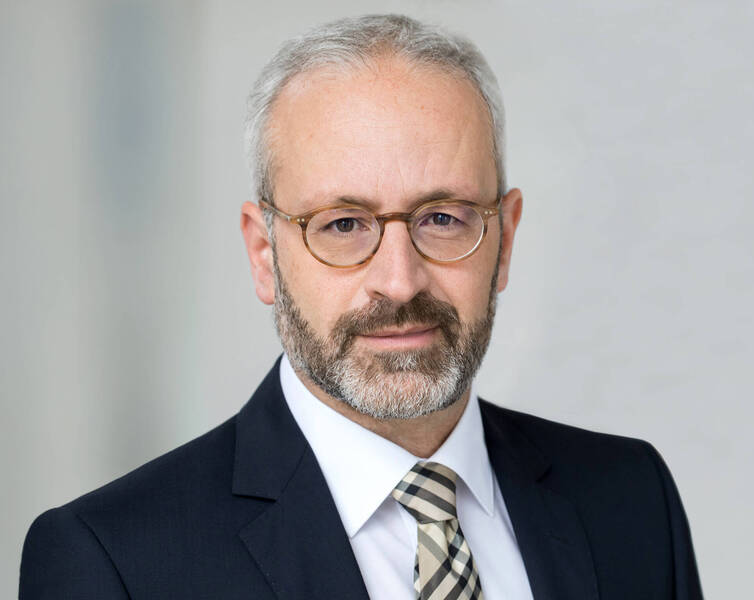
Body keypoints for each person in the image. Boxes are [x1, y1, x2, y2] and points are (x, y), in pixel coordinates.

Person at [20, 14, 702, 599]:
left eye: (442, 218)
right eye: (343, 224)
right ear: (264, 254)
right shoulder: (114, 562)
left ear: (505, 238)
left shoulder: (630, 501)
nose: (399, 283)